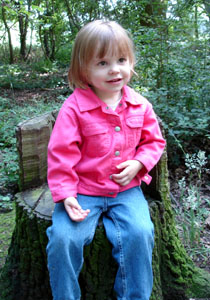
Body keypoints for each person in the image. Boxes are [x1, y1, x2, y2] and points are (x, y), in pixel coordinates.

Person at [46, 19, 166, 300]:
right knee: (63, 239)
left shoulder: (140, 104)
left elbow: (154, 142)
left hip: (126, 192)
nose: (114, 69)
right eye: (102, 63)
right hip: (82, 192)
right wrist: (65, 195)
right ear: (83, 69)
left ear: (131, 62)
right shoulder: (74, 109)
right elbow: (61, 154)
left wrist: (139, 163)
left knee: (140, 233)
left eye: (121, 60)